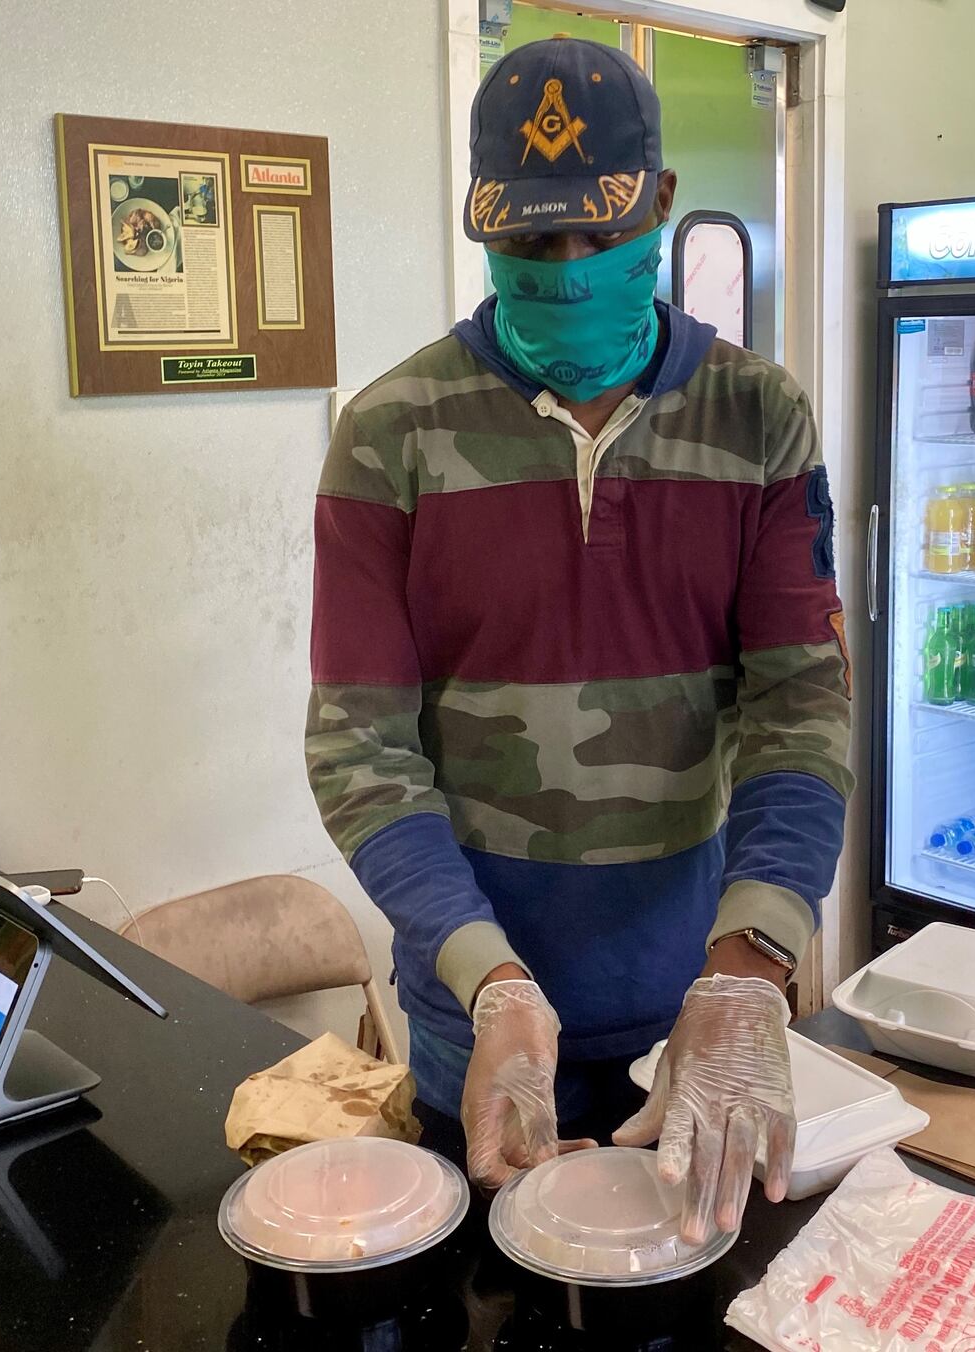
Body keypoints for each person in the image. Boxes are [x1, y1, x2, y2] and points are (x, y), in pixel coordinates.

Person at [306, 37, 852, 1242]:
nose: (563, 269)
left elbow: (800, 709)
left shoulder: (758, 417)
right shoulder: (391, 434)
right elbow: (360, 748)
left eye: (594, 238)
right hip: (475, 1021)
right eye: (528, 243)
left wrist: (751, 967)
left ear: (659, 205)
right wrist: (488, 976)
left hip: (695, 1003)